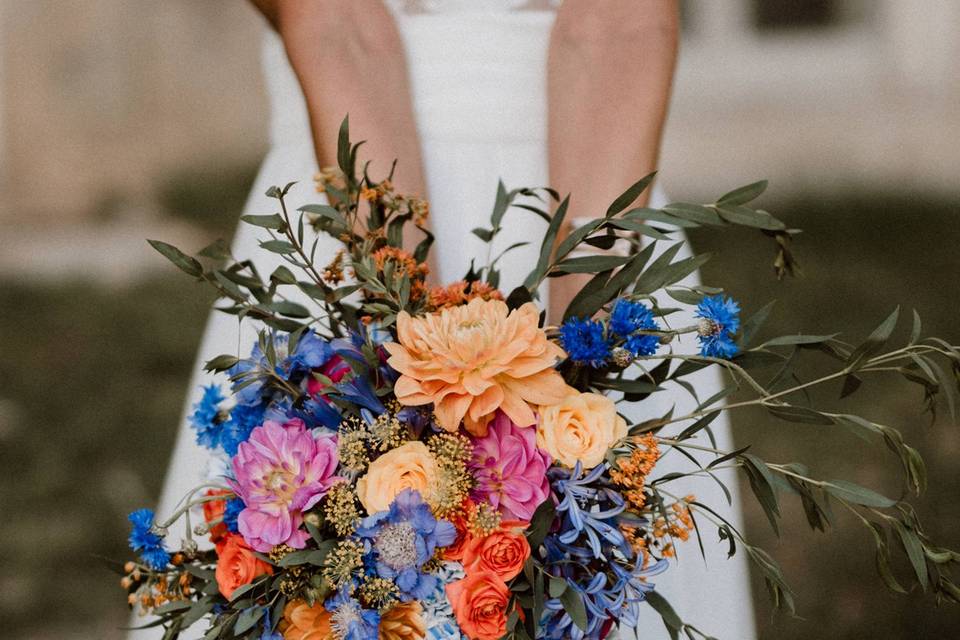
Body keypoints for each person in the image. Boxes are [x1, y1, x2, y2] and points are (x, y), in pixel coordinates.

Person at [138, 2, 756, 638]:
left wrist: (579, 359)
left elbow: (620, 23)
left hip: (593, 180)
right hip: (354, 183)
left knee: (598, 545)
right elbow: (337, 22)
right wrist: (408, 349)